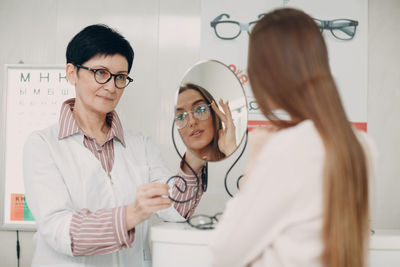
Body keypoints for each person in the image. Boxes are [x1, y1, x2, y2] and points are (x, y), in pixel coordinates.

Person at [23, 24, 201, 267]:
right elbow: (59, 230)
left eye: (120, 77)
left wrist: (198, 154)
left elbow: (176, 211)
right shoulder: (42, 145)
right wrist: (131, 215)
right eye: (100, 73)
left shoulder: (141, 145)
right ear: (72, 73)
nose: (111, 86)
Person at [209, 8, 376, 267]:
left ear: (266, 76)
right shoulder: (363, 146)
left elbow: (223, 254)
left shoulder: (288, 149)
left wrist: (255, 161)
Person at [175, 83, 237, 173]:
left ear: (214, 113)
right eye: (180, 117)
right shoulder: (177, 181)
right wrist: (188, 171)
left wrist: (230, 149)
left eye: (200, 109)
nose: (192, 121)